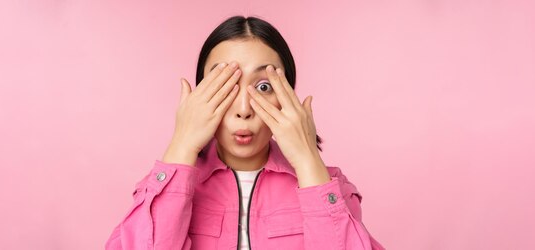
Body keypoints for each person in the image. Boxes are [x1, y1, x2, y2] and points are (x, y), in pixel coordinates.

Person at [105, 15, 385, 250]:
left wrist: (307, 160)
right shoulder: (164, 188)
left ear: (287, 96)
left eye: (264, 87)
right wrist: (182, 145)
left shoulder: (327, 185)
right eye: (225, 85)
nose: (243, 109)